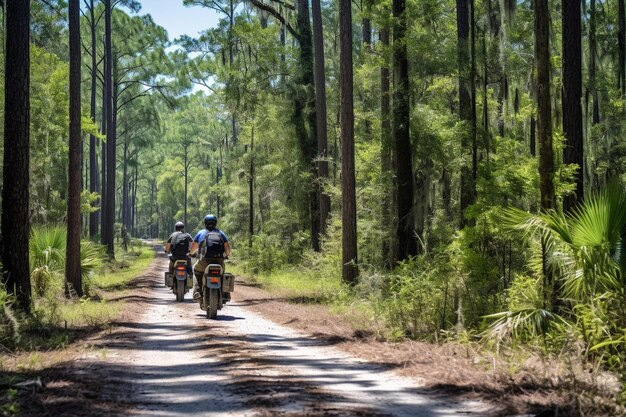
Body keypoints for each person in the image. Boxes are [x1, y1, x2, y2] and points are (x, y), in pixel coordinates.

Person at [190, 214, 231, 302]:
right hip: (219, 261)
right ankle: (225, 293)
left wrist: (191, 253)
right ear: (215, 223)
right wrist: (227, 255)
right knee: (222, 274)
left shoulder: (201, 233)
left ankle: (197, 291)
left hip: (204, 261)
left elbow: (193, 247)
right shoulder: (220, 233)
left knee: (196, 271)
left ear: (205, 223)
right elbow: (227, 246)